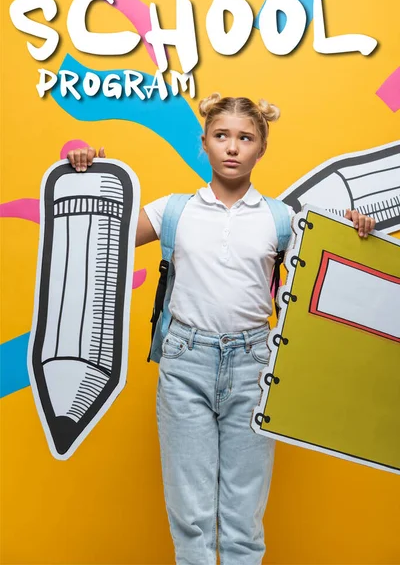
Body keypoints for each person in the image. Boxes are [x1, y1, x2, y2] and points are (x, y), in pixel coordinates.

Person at [67, 93, 376, 565]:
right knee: (190, 514)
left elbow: (327, 270)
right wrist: (92, 176)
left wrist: (355, 226)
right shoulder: (173, 210)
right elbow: (102, 231)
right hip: (184, 362)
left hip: (255, 367)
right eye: (221, 136)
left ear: (261, 147)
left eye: (245, 138)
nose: (233, 147)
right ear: (205, 144)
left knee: (243, 518)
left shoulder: (281, 218)